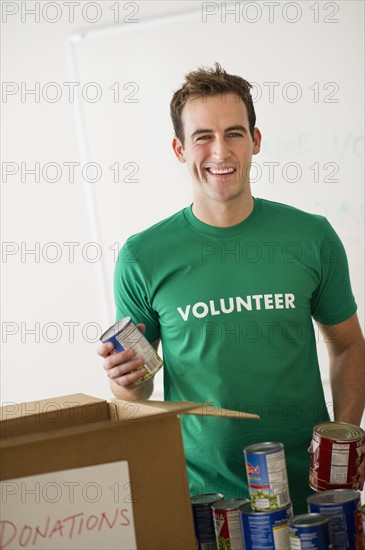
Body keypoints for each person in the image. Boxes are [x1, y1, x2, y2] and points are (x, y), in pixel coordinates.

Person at [98, 63, 365, 514]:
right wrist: (123, 384)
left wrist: (341, 442)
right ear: (180, 149)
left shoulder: (311, 236)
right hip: (204, 498)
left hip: (310, 491)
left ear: (255, 141)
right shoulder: (143, 255)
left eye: (235, 133)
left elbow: (347, 344)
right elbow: (137, 394)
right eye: (203, 136)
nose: (220, 151)